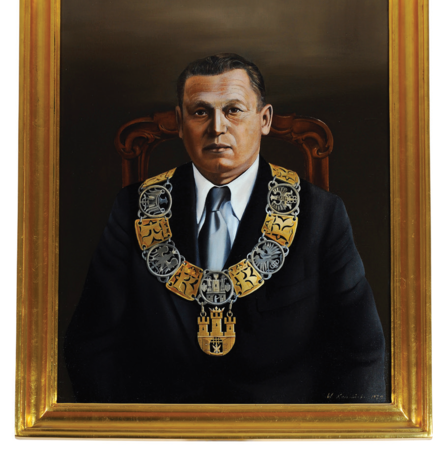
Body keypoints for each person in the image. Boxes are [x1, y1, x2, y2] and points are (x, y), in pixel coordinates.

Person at [65, 53, 386, 404]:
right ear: (179, 122)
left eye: (233, 110)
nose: (217, 127)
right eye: (200, 112)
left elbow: (362, 352)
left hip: (281, 430)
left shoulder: (321, 214)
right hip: (163, 429)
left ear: (264, 119)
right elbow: (91, 345)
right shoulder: (134, 209)